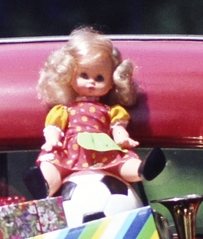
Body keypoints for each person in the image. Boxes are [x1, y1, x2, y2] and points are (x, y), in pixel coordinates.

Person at [35, 27, 142, 196]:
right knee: (52, 164)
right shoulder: (63, 110)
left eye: (100, 78)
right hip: (71, 148)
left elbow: (117, 127)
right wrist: (52, 141)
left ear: (112, 81)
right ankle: (45, 183)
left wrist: (123, 139)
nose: (91, 83)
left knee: (123, 162)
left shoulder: (112, 110)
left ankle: (141, 170)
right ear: (69, 74)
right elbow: (53, 127)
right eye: (84, 75)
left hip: (103, 148)